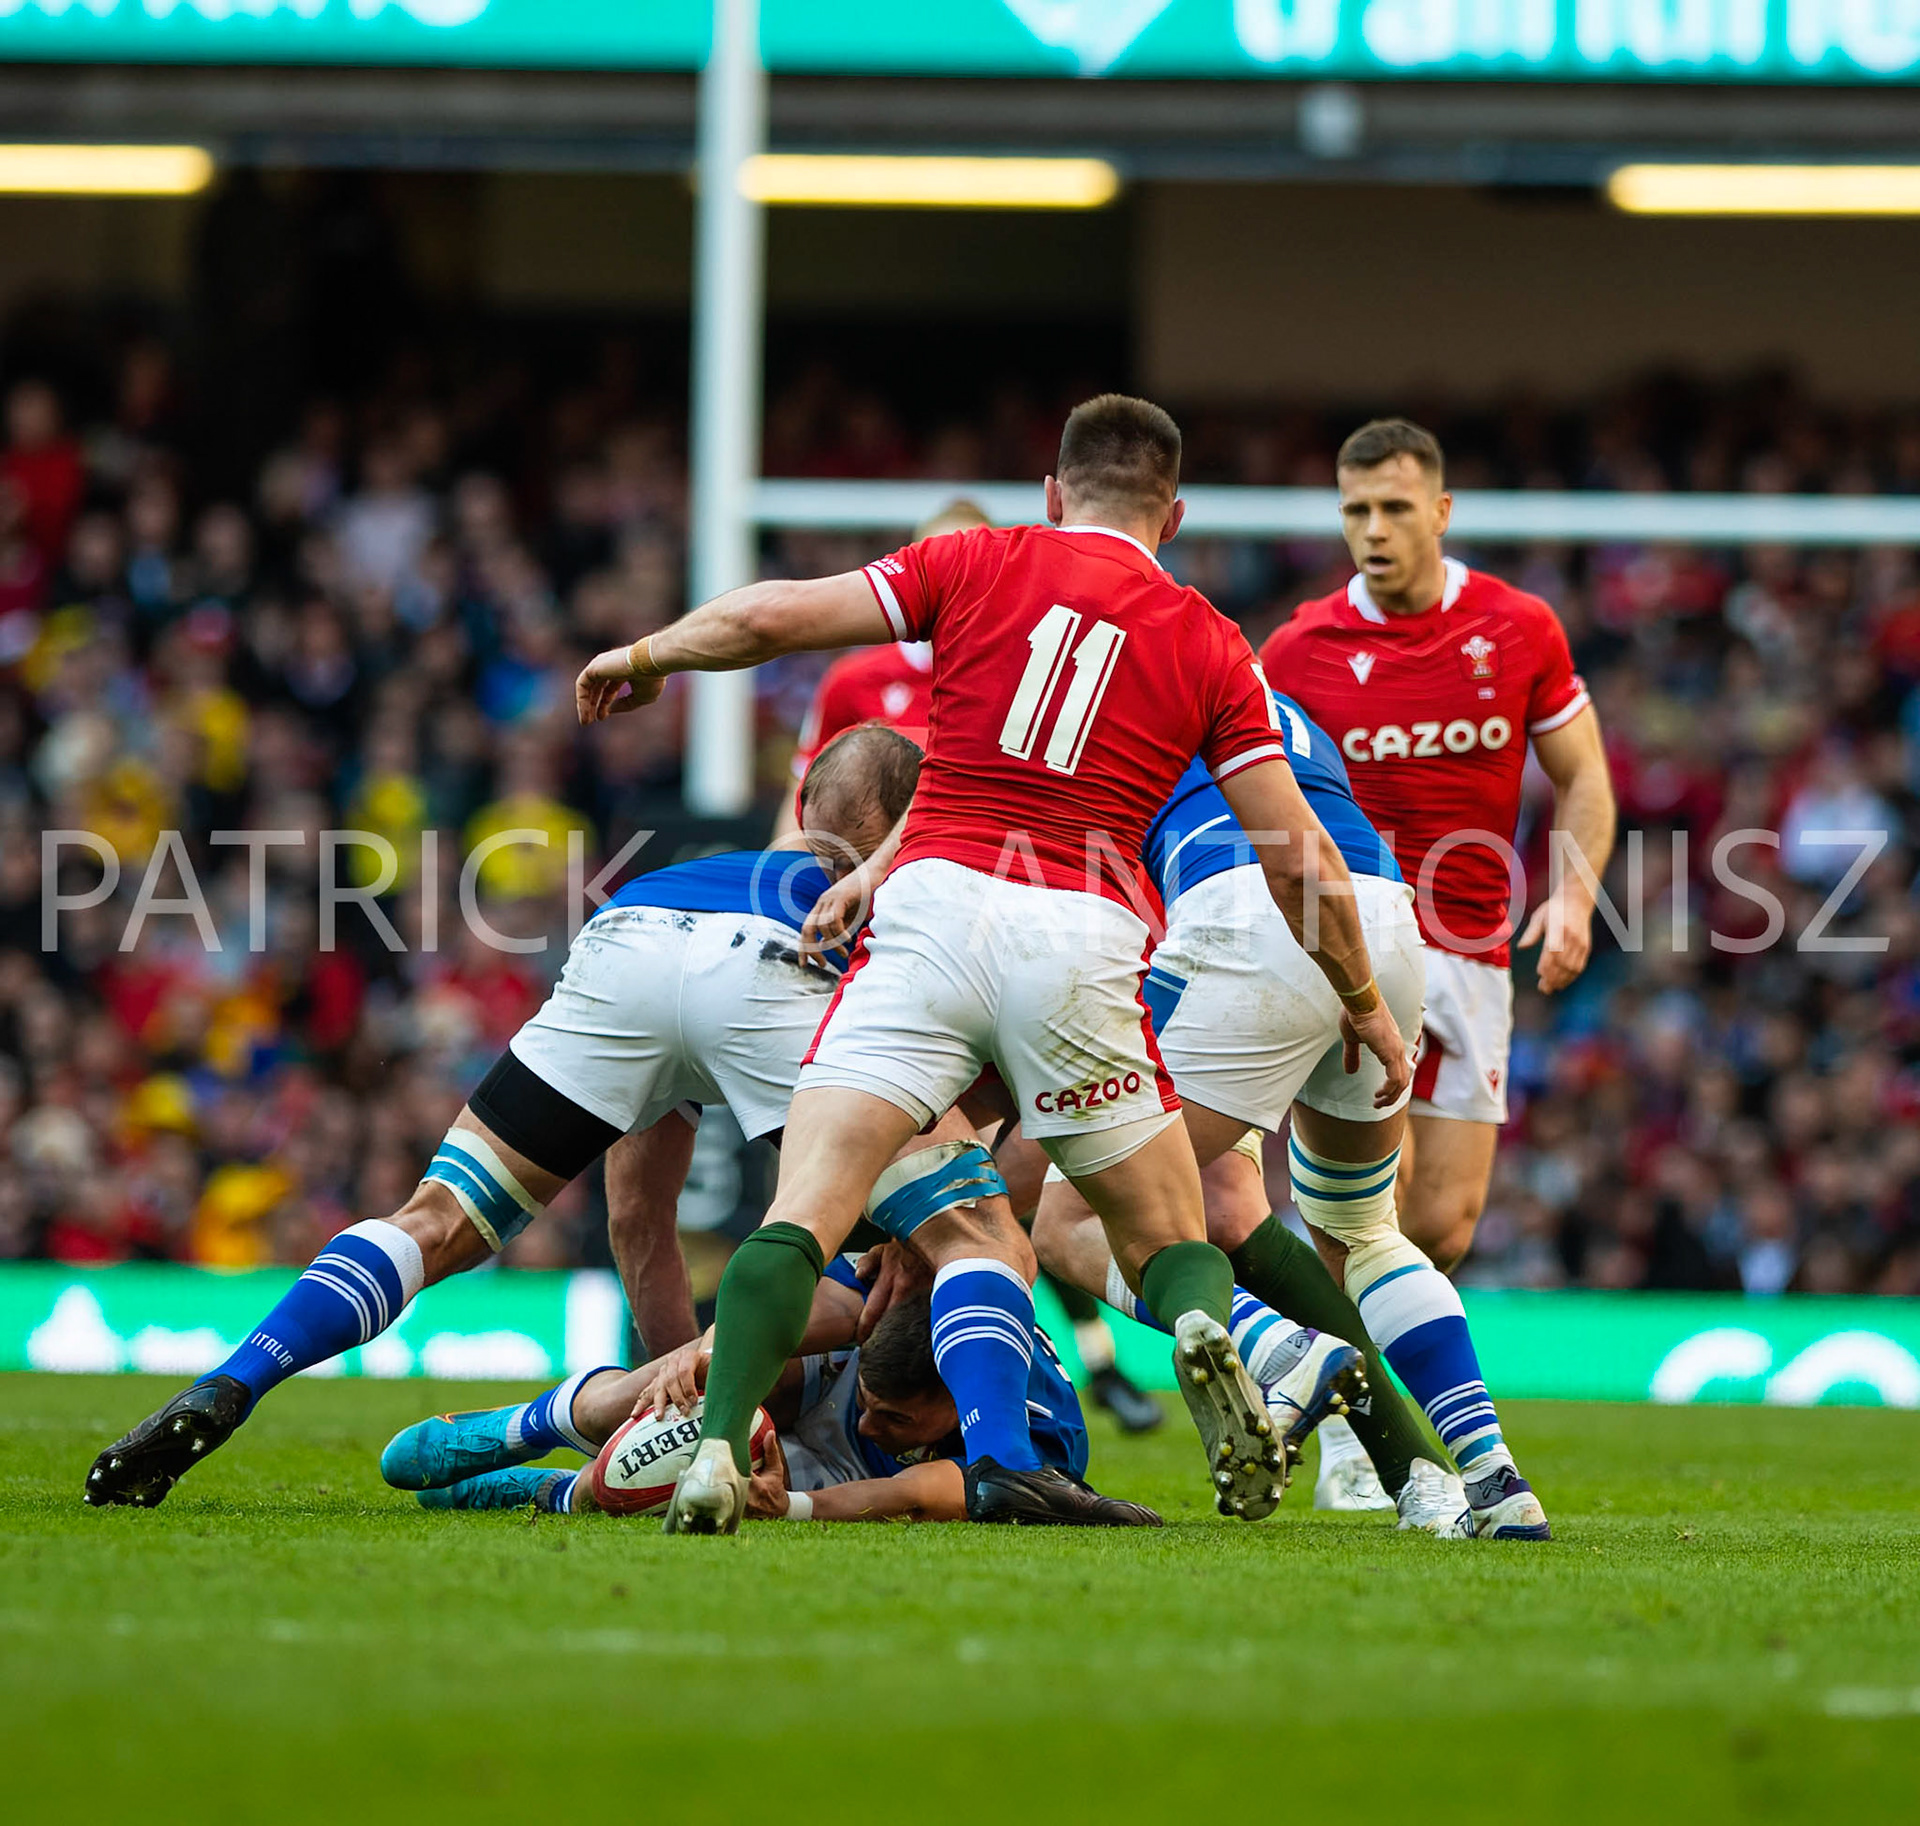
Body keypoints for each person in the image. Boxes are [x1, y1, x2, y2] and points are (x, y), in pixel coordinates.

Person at [575, 393, 1410, 1535]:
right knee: (1169, 1231)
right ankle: (1218, 1334)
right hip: (1081, 940)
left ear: (1055, 494)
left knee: (808, 1208)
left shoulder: (974, 559)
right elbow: (1299, 855)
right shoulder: (1211, 639)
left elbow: (773, 616)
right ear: (1173, 515)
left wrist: (647, 651)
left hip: (931, 915)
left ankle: (717, 1449)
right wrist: (1362, 999)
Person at [81, 727, 916, 1508]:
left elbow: (636, 1219)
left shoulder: (680, 871)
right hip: (791, 946)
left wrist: (673, 1388)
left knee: (434, 1220)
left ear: (803, 800)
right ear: (900, 831)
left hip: (632, 928)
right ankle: (1011, 1466)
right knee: (935, 1232)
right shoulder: (889, 903)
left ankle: (240, 1375)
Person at [1033, 689, 1551, 1539]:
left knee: (1068, 1214)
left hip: (1248, 916)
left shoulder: (1117, 695)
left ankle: (1283, 1352)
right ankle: (1483, 1480)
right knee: (1359, 1228)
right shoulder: (1274, 701)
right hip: (1377, 917)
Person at [1259, 418, 1614, 1510]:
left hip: (1468, 952)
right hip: (1352, 947)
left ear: (1442, 511)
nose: (1373, 529)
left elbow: (1586, 777)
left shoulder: (1517, 627)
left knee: (1447, 1220)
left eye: (1395, 508)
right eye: (1355, 509)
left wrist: (1574, 891)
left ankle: (1338, 1375)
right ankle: (1357, 1434)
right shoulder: (1298, 649)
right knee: (1367, 1200)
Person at [775, 495, 1163, 1438]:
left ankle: (1059, 1366)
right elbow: (807, 812)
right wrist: (790, 893)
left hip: (992, 927)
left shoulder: (1014, 662)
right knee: (961, 1176)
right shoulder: (859, 676)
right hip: (905, 936)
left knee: (989, 1172)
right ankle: (963, 1378)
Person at [380, 1256, 1153, 1526]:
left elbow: (917, 1492)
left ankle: (555, 1494)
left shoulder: (1039, 1441)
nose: (876, 1423)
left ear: (956, 1403)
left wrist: (795, 1507)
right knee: (722, 1373)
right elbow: (802, 1302)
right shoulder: (912, 1283)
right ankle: (525, 1424)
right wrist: (715, 1351)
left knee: (693, 1477)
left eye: (895, 1417)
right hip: (839, 1356)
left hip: (851, 1475)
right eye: (873, 1410)